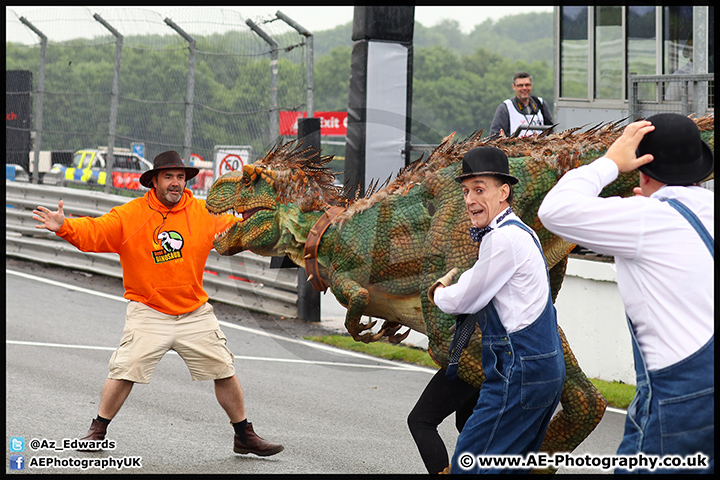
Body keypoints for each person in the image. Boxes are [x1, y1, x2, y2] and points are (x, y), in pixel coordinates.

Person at [32, 150, 284, 457]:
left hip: (194, 312)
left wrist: (275, 222)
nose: (176, 183)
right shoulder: (131, 215)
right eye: (169, 177)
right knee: (125, 369)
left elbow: (238, 231)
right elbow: (95, 232)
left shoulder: (203, 212)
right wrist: (63, 226)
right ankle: (97, 430)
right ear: (154, 181)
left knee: (224, 368)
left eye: (180, 177)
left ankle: (244, 435)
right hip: (148, 311)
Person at [538, 114, 713, 474]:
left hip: (683, 397)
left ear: (643, 169)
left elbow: (554, 211)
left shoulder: (644, 216)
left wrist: (608, 164)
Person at [427, 146, 565, 474]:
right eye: (465, 191)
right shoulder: (520, 232)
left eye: (479, 189)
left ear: (503, 192)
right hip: (543, 369)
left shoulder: (501, 239)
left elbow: (466, 298)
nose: (470, 199)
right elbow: (479, 279)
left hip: (517, 374)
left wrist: (439, 294)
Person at [489, 72, 554, 137]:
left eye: (527, 85)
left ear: (531, 85)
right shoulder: (506, 107)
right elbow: (495, 135)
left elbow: (550, 130)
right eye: (520, 85)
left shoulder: (540, 103)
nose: (524, 88)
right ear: (513, 87)